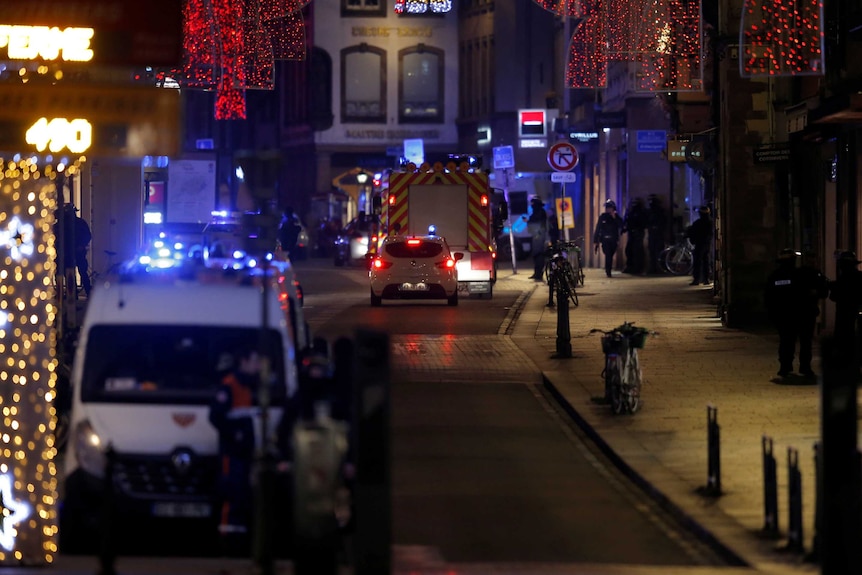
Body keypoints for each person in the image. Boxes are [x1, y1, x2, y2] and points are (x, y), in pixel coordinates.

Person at [209, 347, 261, 551]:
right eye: (255, 361)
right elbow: (216, 417)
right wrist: (235, 434)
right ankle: (228, 542)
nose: (258, 366)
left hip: (244, 452)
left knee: (243, 496)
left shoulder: (248, 386)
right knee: (232, 494)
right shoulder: (230, 386)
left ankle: (239, 540)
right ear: (244, 361)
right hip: (232, 453)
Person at [764, 249, 828, 378]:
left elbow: (768, 298)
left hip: (787, 315)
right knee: (803, 342)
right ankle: (802, 367)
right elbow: (821, 289)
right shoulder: (804, 273)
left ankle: (787, 367)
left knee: (788, 341)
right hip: (802, 314)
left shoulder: (776, 276)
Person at [828, 250, 862, 358]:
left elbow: (833, 297)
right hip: (854, 311)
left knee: (844, 338)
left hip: (845, 313)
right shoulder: (858, 277)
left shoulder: (842, 279)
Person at [55, 204, 92, 297]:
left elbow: (87, 236)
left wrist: (81, 245)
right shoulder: (65, 224)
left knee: (79, 273)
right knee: (73, 274)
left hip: (73, 252)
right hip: (68, 252)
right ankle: (73, 295)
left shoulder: (77, 223)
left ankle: (77, 294)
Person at [593, 199, 623, 278]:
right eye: (607, 207)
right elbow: (598, 228)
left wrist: (614, 217)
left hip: (613, 240)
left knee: (611, 254)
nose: (608, 209)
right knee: (608, 255)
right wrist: (596, 241)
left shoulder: (616, 217)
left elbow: (621, 225)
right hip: (605, 240)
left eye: (609, 207)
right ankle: (608, 271)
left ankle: (608, 269)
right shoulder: (603, 217)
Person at [686, 206, 713, 285]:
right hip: (707, 244)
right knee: (706, 261)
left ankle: (697, 279)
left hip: (699, 244)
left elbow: (692, 232)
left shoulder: (698, 223)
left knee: (698, 261)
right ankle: (706, 279)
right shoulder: (710, 222)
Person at [623, 197, 647, 275]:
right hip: (631, 233)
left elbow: (642, 223)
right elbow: (627, 221)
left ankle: (638, 268)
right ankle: (630, 266)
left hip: (638, 233)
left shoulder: (640, 212)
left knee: (638, 251)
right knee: (629, 250)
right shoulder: (631, 212)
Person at [527, 197, 548, 281]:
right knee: (536, 255)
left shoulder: (539, 212)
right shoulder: (539, 212)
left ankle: (538, 274)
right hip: (537, 236)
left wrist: (529, 222)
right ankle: (537, 273)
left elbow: (537, 223)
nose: (532, 206)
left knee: (539, 255)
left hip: (539, 236)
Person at [647, 194, 667, 274]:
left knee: (658, 251)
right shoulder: (650, 212)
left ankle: (658, 268)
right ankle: (653, 268)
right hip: (653, 234)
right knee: (652, 252)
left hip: (658, 234)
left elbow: (663, 222)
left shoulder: (659, 211)